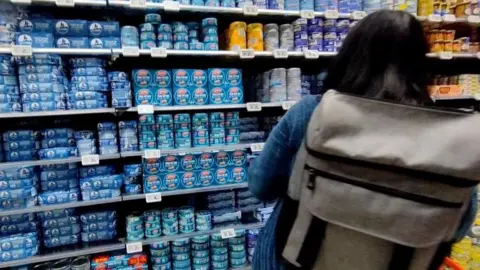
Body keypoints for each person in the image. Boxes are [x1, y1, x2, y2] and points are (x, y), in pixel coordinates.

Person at [248, 10, 478, 270]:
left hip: (297, 255)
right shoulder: (446, 134)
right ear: (421, 64)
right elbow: (458, 227)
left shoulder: (312, 111)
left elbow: (259, 185)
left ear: (349, 56)